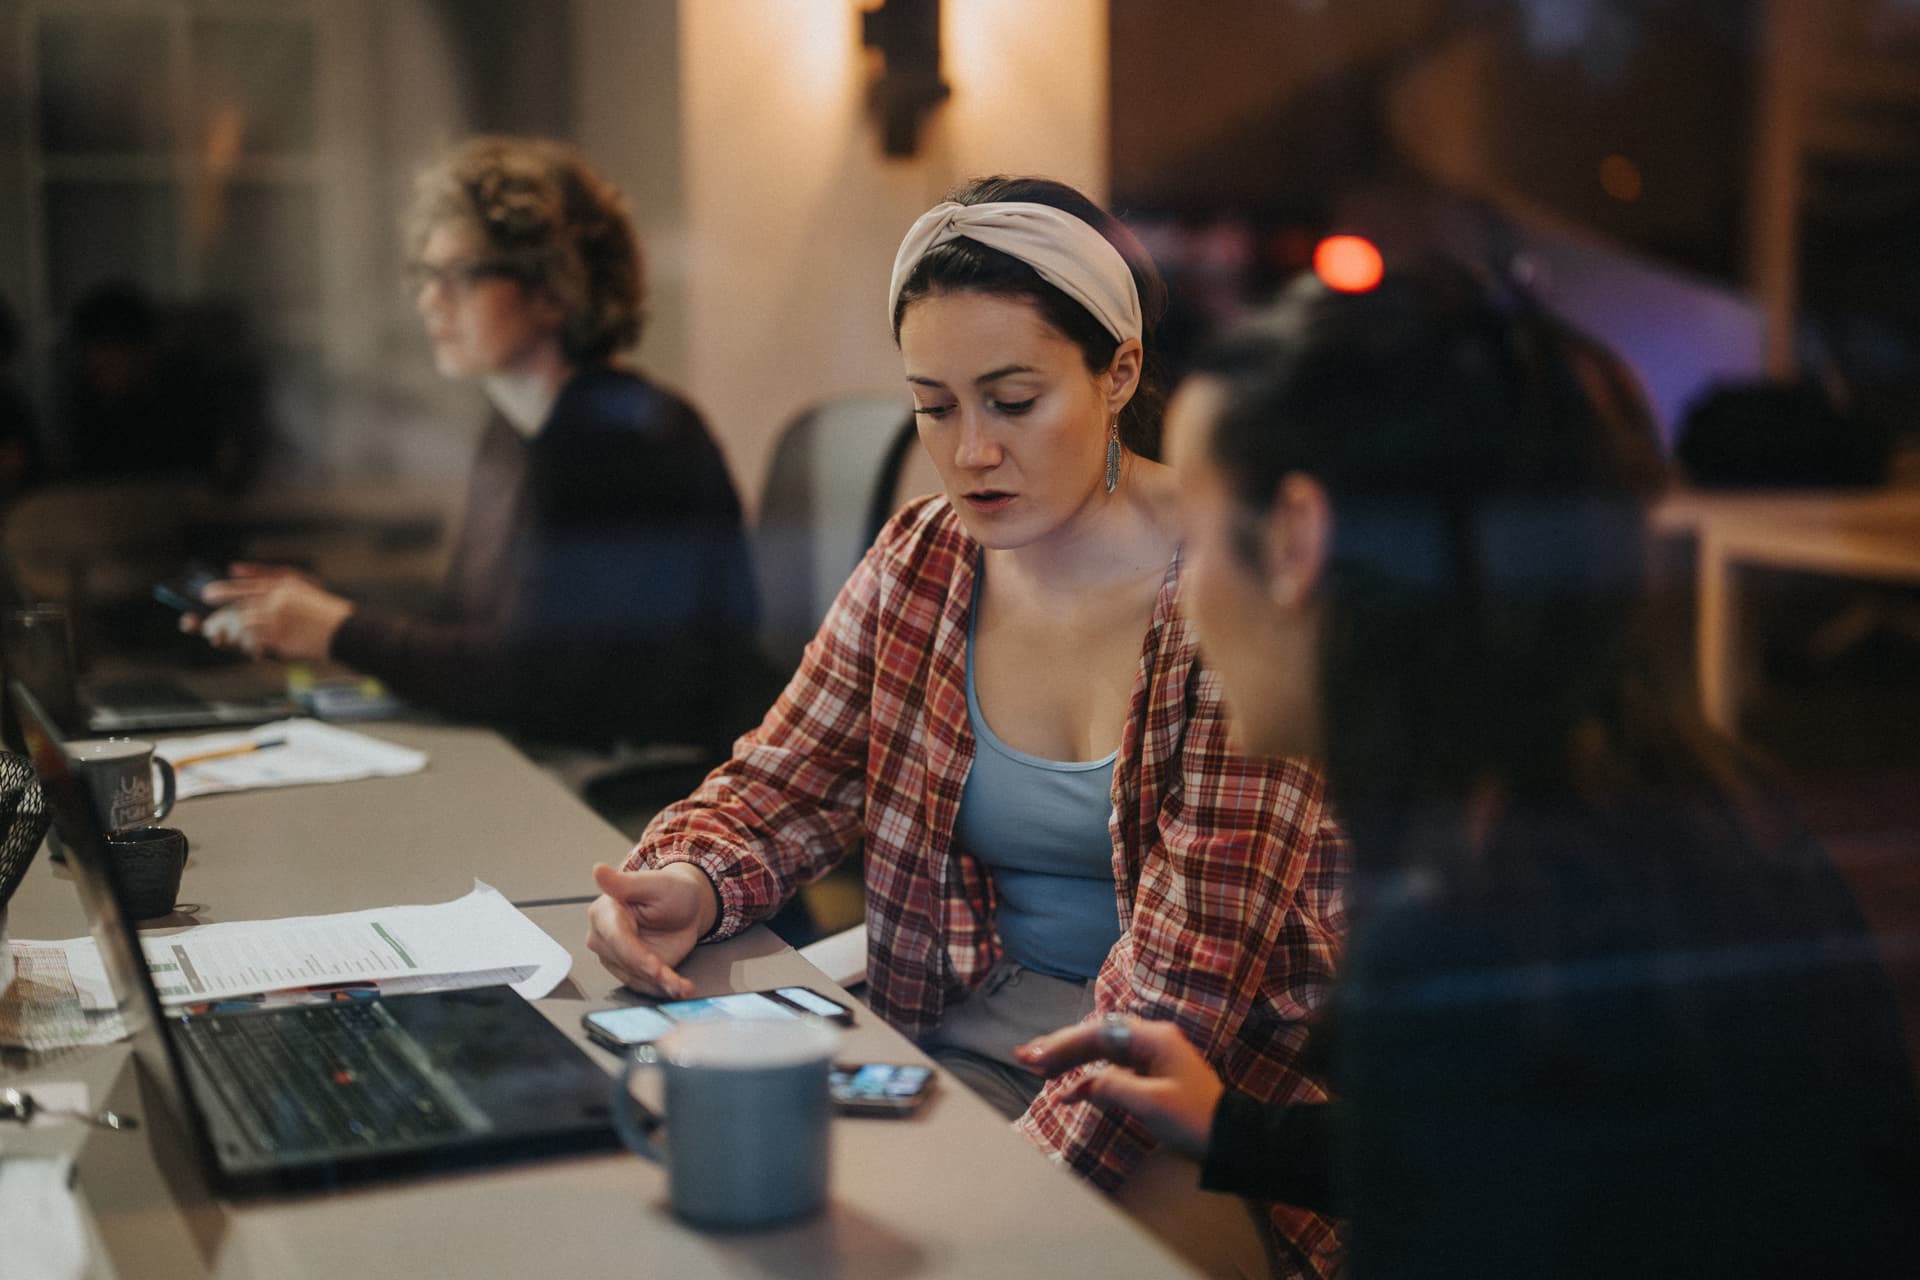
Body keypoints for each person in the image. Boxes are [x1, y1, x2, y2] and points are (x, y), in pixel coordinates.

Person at [1020, 259, 1920, 1275]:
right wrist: (1236, 1131)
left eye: (1198, 536)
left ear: (1298, 541)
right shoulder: (1682, 800)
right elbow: (1517, 1155)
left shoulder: (1474, 936)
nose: (1180, 597)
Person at [586, 176, 1347, 1277]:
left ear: (1118, 370)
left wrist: (970, 1202)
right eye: (934, 407)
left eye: (1012, 399)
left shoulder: (1232, 584)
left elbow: (1184, 1002)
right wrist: (690, 878)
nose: (970, 451)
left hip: (1194, 1095)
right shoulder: (922, 557)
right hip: (959, 1042)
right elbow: (784, 778)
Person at [188, 136, 764, 751]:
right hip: (559, 755)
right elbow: (465, 622)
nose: (428, 299)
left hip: (639, 782)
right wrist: (305, 614)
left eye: (458, 276)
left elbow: (529, 677)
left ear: (551, 289)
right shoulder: (516, 428)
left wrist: (336, 630)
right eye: (426, 275)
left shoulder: (619, 438)